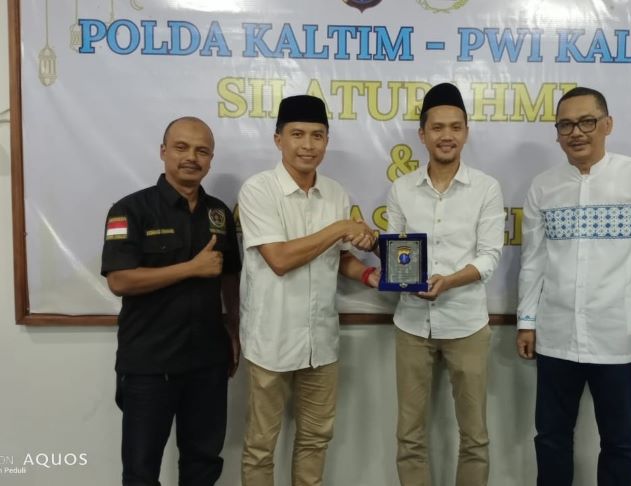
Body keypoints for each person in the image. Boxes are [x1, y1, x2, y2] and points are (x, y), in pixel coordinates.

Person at [516, 86, 631, 486]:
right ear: (557, 134)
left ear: (607, 124)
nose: (576, 132)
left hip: (617, 336)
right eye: (566, 125)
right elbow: (533, 260)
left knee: (618, 441)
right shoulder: (543, 186)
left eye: (587, 122)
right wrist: (527, 322)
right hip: (556, 336)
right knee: (551, 437)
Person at [237, 94, 379, 486]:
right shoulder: (258, 190)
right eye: (297, 134)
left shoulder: (335, 192)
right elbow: (280, 259)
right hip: (271, 340)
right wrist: (340, 227)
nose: (308, 145)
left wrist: (370, 276)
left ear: (327, 141)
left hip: (322, 341)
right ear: (278, 139)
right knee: (260, 448)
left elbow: (341, 258)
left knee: (316, 441)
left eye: (317, 135)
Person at [101, 116, 241, 486]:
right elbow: (119, 280)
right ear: (163, 152)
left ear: (211, 159)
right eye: (181, 147)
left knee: (203, 465)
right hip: (149, 363)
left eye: (202, 150)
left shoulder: (218, 214)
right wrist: (191, 268)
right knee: (141, 471)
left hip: (207, 361)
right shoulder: (130, 209)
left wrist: (233, 328)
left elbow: (230, 276)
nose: (191, 157)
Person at [386, 82, 505, 486]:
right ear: (422, 134)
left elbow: (490, 255)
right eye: (437, 127)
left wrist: (450, 280)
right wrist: (398, 275)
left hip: (466, 324)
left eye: (455, 127)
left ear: (466, 132)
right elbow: (396, 251)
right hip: (411, 325)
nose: (447, 135)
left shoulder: (486, 188)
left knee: (475, 436)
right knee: (409, 436)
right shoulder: (402, 188)